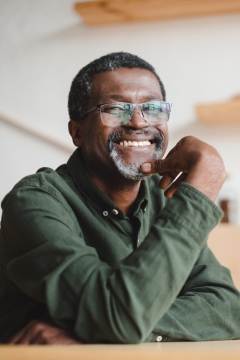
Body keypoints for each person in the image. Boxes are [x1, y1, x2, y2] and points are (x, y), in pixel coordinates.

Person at [0, 52, 240, 345]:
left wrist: (99, 330)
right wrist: (201, 189)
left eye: (152, 108)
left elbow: (228, 309)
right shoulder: (34, 201)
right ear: (77, 132)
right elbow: (118, 317)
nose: (139, 123)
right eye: (115, 109)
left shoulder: (162, 196)